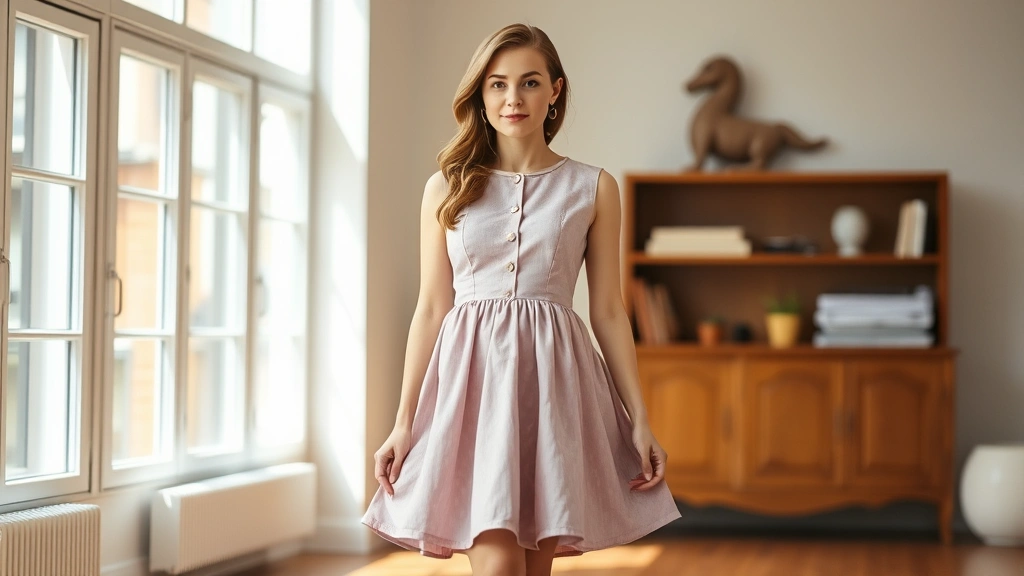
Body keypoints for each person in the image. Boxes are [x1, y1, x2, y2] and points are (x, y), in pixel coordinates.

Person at [361, 22, 680, 576]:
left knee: (535, 568)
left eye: (530, 83)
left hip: (554, 389)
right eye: (498, 84)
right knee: (496, 565)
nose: (513, 99)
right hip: (471, 391)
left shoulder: (594, 187)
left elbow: (606, 309)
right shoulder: (446, 187)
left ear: (555, 90)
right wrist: (403, 420)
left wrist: (638, 417)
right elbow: (432, 307)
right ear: (480, 95)